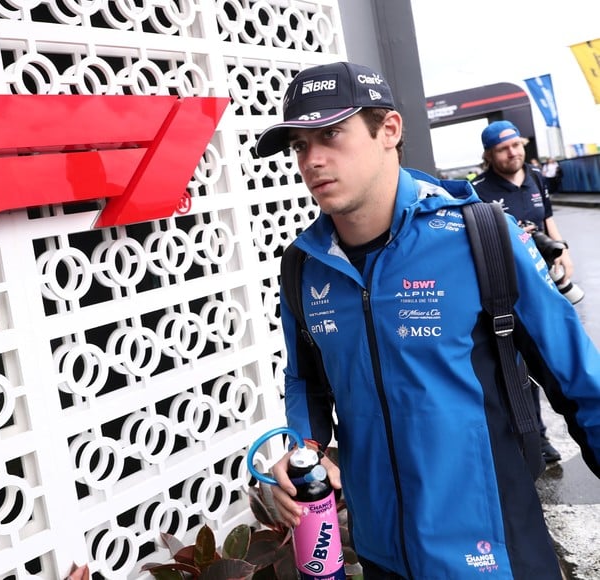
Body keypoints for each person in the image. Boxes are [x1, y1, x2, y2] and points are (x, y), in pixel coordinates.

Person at [253, 61, 600, 579]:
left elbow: (581, 384)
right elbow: (307, 378)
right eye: (300, 145)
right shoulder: (301, 264)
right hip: (380, 551)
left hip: (493, 547)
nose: (313, 160)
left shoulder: (480, 234)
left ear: (389, 130)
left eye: (331, 135)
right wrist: (304, 454)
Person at [471, 121, 575, 464]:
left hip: (544, 287)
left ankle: (580, 424)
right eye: (503, 148)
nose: (513, 152)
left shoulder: (535, 178)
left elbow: (546, 219)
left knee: (558, 357)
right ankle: (537, 440)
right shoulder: (478, 190)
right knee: (518, 368)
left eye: (516, 145)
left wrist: (563, 252)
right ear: (489, 155)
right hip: (505, 291)